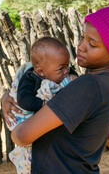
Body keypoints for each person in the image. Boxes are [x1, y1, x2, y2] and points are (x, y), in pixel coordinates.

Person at [2, 6, 109, 173]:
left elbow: (23, 136)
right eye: (83, 37)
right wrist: (8, 96)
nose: (81, 46)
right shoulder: (107, 82)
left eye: (92, 44)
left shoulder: (88, 86)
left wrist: (15, 118)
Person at [7, 36, 78, 174]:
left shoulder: (61, 70)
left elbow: (70, 74)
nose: (67, 71)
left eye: (67, 65)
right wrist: (43, 103)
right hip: (24, 122)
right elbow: (23, 100)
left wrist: (74, 77)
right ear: (41, 72)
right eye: (61, 68)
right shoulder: (30, 78)